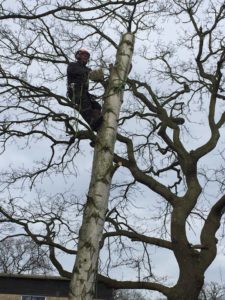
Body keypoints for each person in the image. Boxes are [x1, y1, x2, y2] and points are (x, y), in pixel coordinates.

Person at [67, 48, 103, 131]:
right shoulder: (72, 65)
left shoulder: (86, 69)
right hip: (74, 92)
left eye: (87, 56)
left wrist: (98, 76)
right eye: (84, 55)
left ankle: (97, 120)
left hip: (84, 92)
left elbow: (91, 74)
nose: (85, 57)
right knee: (85, 104)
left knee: (97, 106)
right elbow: (77, 71)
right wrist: (89, 72)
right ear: (78, 56)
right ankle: (92, 122)